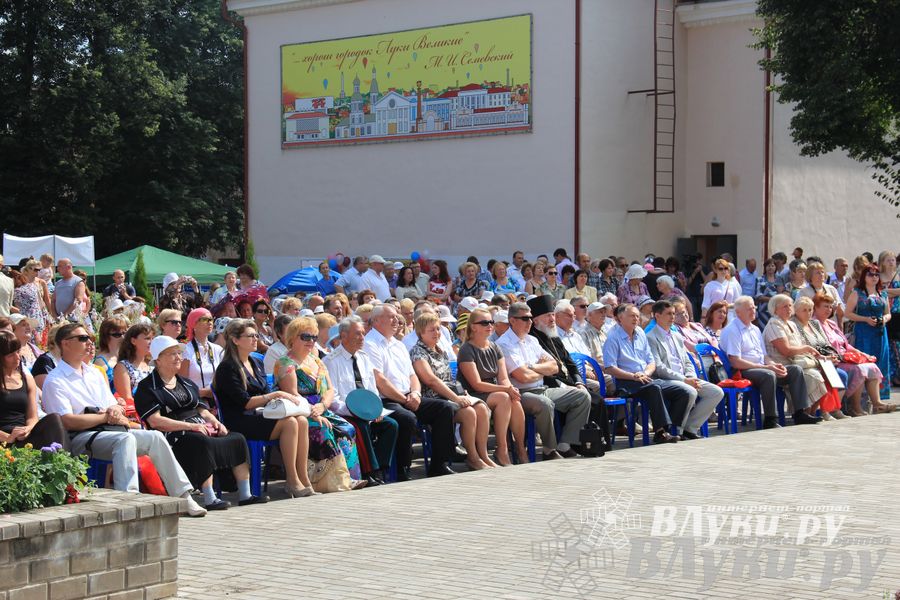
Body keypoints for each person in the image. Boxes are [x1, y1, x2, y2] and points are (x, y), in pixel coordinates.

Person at [42, 323, 207, 516]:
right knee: (126, 439)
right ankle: (129, 500)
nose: (89, 342)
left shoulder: (94, 372)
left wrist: (114, 409)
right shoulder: (55, 380)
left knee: (155, 437)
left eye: (89, 337)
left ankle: (184, 496)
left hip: (108, 430)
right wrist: (104, 416)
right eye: (82, 338)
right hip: (79, 438)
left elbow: (114, 404)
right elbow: (67, 421)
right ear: (66, 344)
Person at [135, 336, 266, 510]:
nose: (178, 357)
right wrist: (191, 426)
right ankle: (209, 497)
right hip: (173, 433)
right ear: (158, 360)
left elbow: (202, 410)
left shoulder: (186, 383)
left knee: (236, 438)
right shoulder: (148, 387)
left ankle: (245, 494)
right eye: (172, 354)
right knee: (200, 442)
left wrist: (216, 422)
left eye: (179, 353)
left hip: (199, 426)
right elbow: (155, 421)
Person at [213, 319, 317, 497]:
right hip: (240, 419)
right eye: (250, 336)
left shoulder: (255, 363)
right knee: (290, 423)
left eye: (256, 335)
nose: (255, 339)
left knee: (301, 421)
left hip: (260, 414)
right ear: (235, 340)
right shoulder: (227, 368)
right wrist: (275, 395)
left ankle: (302, 477)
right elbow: (244, 402)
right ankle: (291, 480)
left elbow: (263, 394)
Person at [364, 304, 456, 480]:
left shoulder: (398, 344)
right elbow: (380, 381)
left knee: (444, 408)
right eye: (391, 316)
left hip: (409, 396)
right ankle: (402, 469)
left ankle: (439, 464)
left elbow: (412, 375)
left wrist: (415, 393)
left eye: (397, 315)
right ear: (376, 321)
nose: (397, 319)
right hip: (387, 400)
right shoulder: (370, 344)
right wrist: (405, 399)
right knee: (407, 418)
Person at [273, 317, 365, 488]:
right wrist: (314, 413)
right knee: (324, 428)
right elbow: (293, 395)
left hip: (321, 408)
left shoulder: (316, 361)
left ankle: (349, 477)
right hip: (300, 411)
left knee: (347, 428)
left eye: (314, 337)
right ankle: (332, 481)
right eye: (305, 337)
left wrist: (323, 406)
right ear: (292, 338)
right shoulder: (285, 363)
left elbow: (330, 390)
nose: (311, 341)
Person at [410, 312, 497, 470]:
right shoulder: (418, 352)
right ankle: (472, 457)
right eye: (431, 330)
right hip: (435, 399)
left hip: (450, 395)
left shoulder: (440, 350)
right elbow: (431, 381)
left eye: (438, 329)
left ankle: (483, 455)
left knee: (482, 408)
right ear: (420, 332)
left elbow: (449, 380)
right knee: (469, 413)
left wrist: (460, 394)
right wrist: (456, 398)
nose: (437, 333)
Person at [719, 296, 819, 427]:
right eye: (749, 309)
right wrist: (766, 368)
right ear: (738, 313)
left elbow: (764, 356)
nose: (753, 310)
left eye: (754, 307)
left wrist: (773, 365)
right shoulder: (733, 330)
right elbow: (735, 362)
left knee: (795, 370)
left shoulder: (754, 329)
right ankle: (770, 419)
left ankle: (800, 414)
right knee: (768, 375)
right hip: (743, 370)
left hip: (761, 366)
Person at [527, 296, 611, 452]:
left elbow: (570, 363)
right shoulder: (533, 339)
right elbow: (544, 371)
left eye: (552, 315)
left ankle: (596, 442)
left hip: (569, 382)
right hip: (552, 384)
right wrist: (566, 385)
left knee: (597, 399)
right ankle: (577, 443)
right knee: (591, 400)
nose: (552, 319)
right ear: (536, 320)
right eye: (548, 316)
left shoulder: (553, 336)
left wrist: (579, 382)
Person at [324, 316, 399, 486]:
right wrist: (355, 411)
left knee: (391, 425)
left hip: (367, 411)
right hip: (345, 413)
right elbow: (333, 398)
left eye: (363, 334)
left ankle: (380, 468)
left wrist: (376, 410)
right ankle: (368, 472)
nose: (362, 338)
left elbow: (371, 389)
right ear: (343, 336)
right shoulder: (330, 361)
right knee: (361, 426)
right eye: (358, 334)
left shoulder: (364, 357)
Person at [602, 304, 685, 444]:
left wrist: (645, 373)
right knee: (654, 389)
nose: (636, 319)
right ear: (620, 319)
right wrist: (633, 376)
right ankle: (660, 432)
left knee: (682, 390)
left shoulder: (640, 332)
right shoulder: (613, 338)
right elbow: (610, 368)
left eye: (637, 316)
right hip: (626, 381)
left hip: (646, 377)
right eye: (631, 316)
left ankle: (674, 429)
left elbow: (651, 361)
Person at [456, 308, 526, 466]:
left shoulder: (494, 347)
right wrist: (506, 389)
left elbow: (503, 378)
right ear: (473, 327)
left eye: (491, 322)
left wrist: (510, 388)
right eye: (484, 322)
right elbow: (476, 384)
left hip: (493, 392)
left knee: (514, 400)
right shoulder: (467, 349)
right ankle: (502, 449)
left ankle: (520, 449)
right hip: (474, 394)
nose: (489, 325)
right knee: (504, 397)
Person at [646, 301, 723, 439]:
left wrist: (691, 376)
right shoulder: (651, 337)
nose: (672, 317)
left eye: (674, 314)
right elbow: (658, 367)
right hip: (666, 379)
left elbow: (687, 360)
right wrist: (685, 380)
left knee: (716, 392)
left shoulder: (676, 336)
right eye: (668, 314)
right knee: (691, 390)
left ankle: (690, 427)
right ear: (657, 316)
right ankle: (678, 431)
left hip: (686, 377)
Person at [812, 293, 888, 415]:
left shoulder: (831, 323)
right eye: (825, 306)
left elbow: (846, 345)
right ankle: (855, 407)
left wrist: (862, 354)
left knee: (871, 366)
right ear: (815, 307)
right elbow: (821, 347)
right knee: (859, 369)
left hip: (845, 357)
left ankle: (877, 404)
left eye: (830, 307)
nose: (829, 310)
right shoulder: (814, 324)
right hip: (833, 360)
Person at [763, 294, 835, 419]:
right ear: (775, 309)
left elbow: (800, 348)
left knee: (826, 370)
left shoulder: (791, 324)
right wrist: (807, 349)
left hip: (798, 363)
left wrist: (822, 358)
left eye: (790, 305)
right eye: (784, 306)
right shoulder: (774, 324)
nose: (789, 309)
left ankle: (815, 413)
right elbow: (786, 350)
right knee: (815, 376)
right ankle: (803, 413)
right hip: (782, 366)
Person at [0, 331, 69, 449]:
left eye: (18, 351)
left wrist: (27, 429)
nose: (17, 357)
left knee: (54, 419)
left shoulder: (26, 378)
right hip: (4, 438)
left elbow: (32, 417)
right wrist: (7, 437)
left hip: (23, 436)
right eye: (10, 355)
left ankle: (65, 463)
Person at [791, 296, 848, 420]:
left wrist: (830, 356)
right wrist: (822, 359)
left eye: (810, 310)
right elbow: (802, 347)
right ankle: (824, 411)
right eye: (804, 310)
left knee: (840, 374)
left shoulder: (814, 323)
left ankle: (833, 409)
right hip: (809, 360)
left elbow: (826, 343)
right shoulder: (794, 325)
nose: (808, 313)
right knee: (826, 372)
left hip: (823, 358)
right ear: (796, 311)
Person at [845, 264, 892, 400]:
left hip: (880, 334)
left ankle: (880, 397)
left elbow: (888, 314)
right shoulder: (856, 293)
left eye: (876, 274)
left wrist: (884, 319)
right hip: (863, 333)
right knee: (865, 363)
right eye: (870, 274)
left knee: (881, 361)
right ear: (864, 276)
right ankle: (863, 398)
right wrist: (865, 319)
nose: (874, 277)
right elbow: (848, 313)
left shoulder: (882, 293)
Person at [179, 309, 223, 401]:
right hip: (194, 401)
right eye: (204, 319)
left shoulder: (217, 350)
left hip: (217, 401)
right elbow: (182, 384)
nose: (209, 323)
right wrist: (205, 392)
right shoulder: (186, 350)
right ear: (193, 324)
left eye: (211, 319)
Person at [114, 324, 154, 408]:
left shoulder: (152, 366)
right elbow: (127, 398)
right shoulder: (122, 366)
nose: (151, 342)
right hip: (136, 414)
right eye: (147, 338)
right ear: (133, 341)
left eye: (152, 338)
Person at [877, 251, 900, 387]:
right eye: (888, 260)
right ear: (882, 263)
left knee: (897, 344)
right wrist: (890, 293)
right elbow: (879, 292)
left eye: (893, 260)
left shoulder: (897, 276)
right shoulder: (878, 276)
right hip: (884, 314)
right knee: (887, 345)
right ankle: (890, 377)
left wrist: (887, 292)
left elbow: (884, 292)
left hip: (897, 314)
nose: (892, 262)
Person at [799, 261, 844, 328]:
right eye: (818, 273)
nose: (821, 274)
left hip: (832, 327)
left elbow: (840, 312)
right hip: (814, 327)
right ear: (810, 276)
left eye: (822, 272)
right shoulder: (804, 292)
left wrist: (840, 328)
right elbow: (801, 312)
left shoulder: (831, 289)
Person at [13, 260, 50, 338]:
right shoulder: (19, 281)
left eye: (39, 270)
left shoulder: (40, 282)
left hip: (38, 315)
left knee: (39, 340)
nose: (38, 272)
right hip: (24, 316)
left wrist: (48, 316)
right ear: (27, 269)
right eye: (36, 269)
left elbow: (44, 300)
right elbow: (16, 302)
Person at [93, 316, 130, 389]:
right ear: (105, 336)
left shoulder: (128, 355)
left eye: (124, 333)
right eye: (117, 335)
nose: (122, 337)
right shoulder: (100, 362)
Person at [755, 258, 783, 326]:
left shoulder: (779, 279)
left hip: (776, 310)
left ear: (775, 267)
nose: (770, 268)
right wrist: (773, 299)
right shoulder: (760, 279)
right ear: (765, 267)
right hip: (763, 311)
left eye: (772, 266)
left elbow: (781, 295)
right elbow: (759, 296)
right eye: (768, 266)